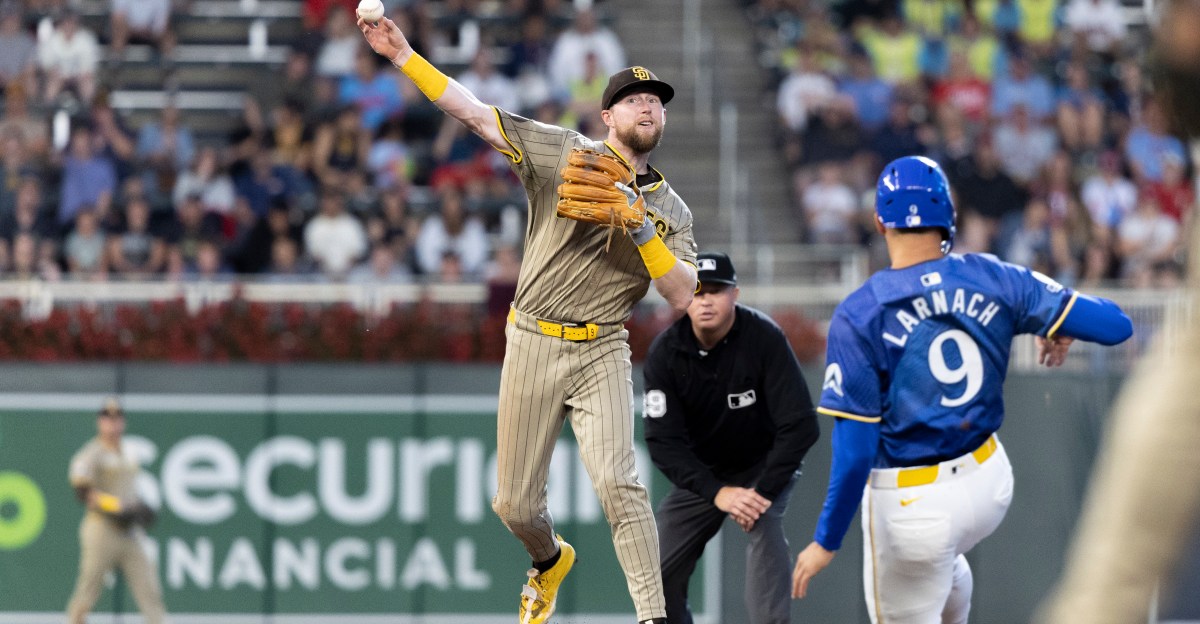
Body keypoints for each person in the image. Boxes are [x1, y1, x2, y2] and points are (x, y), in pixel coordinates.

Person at [359, 12, 697, 624]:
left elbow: (682, 293)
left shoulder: (670, 209)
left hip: (602, 347)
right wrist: (404, 56)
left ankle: (656, 617)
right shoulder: (566, 151)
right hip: (535, 336)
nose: (647, 107)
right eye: (633, 99)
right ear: (608, 117)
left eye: (655, 101)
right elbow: (476, 115)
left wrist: (644, 229)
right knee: (514, 505)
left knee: (622, 487)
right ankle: (548, 560)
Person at [789, 155, 1133, 623]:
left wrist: (825, 542)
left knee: (925, 552)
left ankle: (938, 564)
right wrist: (1059, 324)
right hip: (988, 482)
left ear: (878, 220)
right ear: (949, 216)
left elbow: (854, 452)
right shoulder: (995, 275)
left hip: (913, 504)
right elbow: (1115, 326)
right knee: (940, 556)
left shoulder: (862, 310)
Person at [642, 251, 820, 623]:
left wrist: (763, 492)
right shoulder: (666, 353)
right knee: (652, 568)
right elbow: (663, 443)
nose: (706, 299)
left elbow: (801, 424)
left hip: (763, 466)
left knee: (764, 525)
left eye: (716, 290)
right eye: (698, 291)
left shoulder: (763, 337)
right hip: (706, 474)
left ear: (735, 294)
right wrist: (716, 491)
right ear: (684, 297)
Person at [65, 397, 166, 624]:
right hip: (102, 530)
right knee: (88, 588)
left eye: (117, 418)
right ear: (100, 422)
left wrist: (139, 506)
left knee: (149, 589)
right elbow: (83, 492)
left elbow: (129, 490)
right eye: (107, 418)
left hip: (130, 532)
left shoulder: (129, 451)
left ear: (123, 422)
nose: (113, 423)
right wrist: (115, 506)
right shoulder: (91, 453)